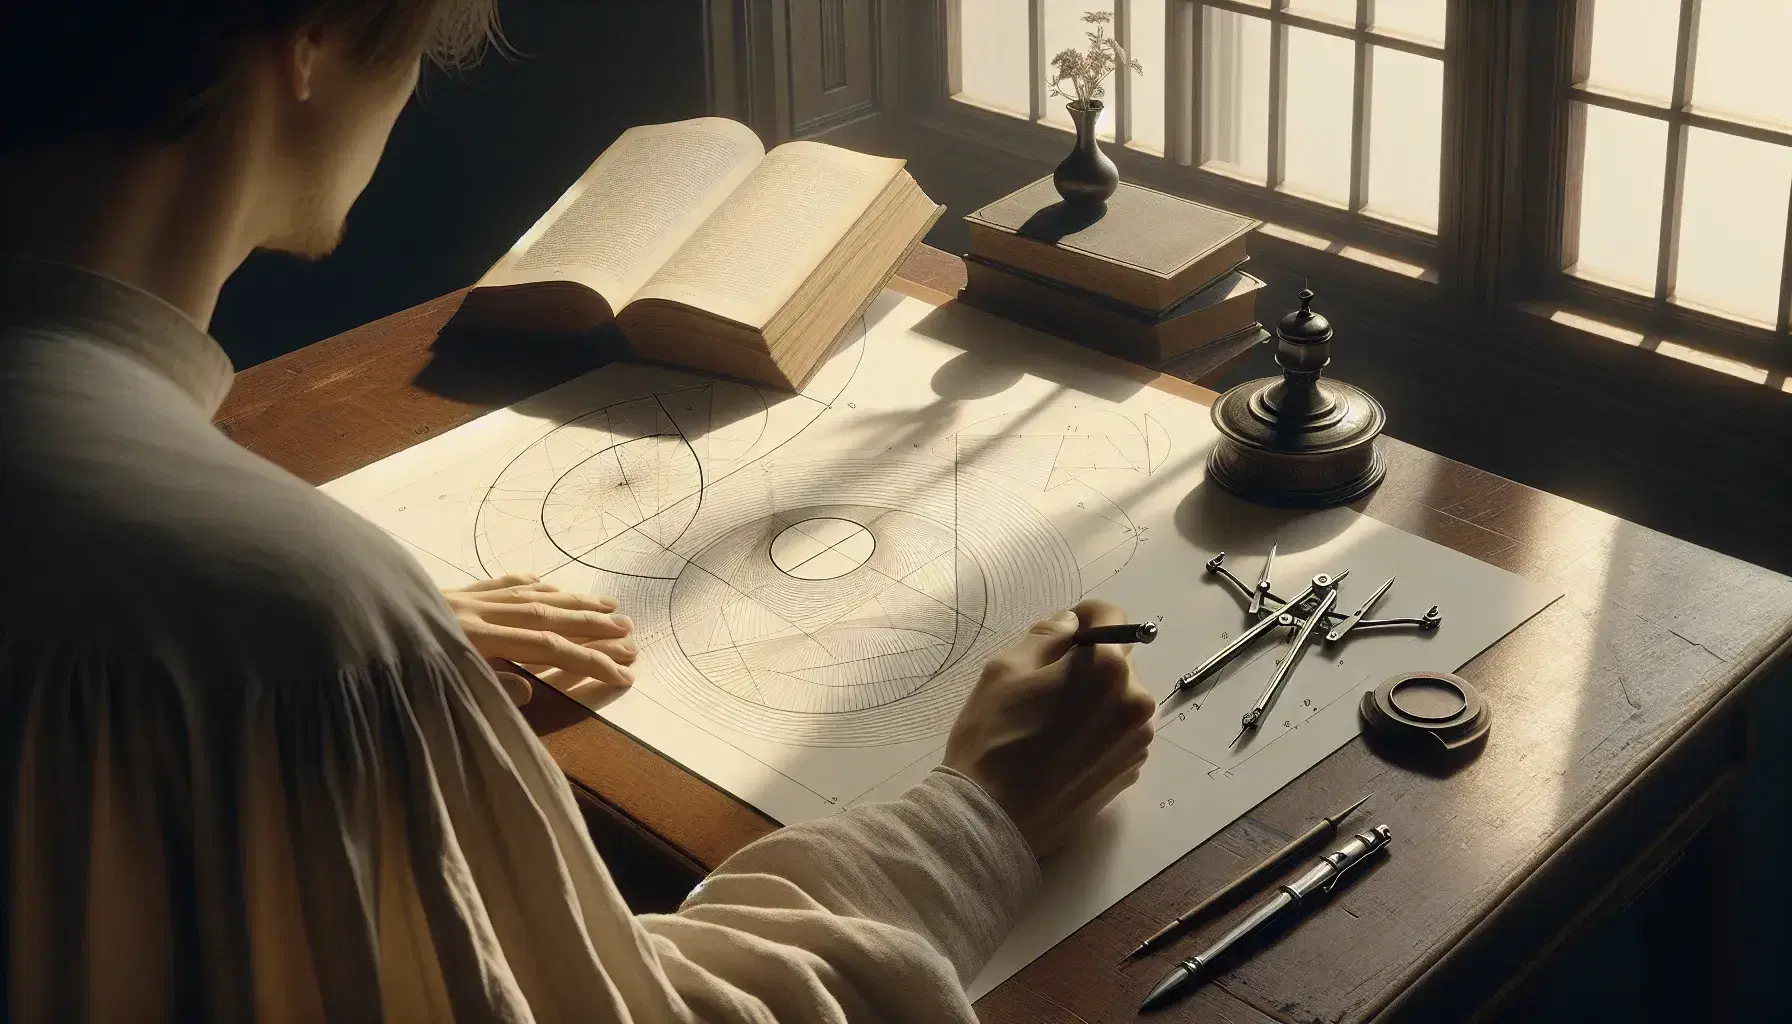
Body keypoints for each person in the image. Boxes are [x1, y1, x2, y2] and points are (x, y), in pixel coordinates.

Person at [0, 1, 1156, 1019]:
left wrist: (314, 647)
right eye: (414, 51)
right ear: (307, 42)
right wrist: (978, 819)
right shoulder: (300, 637)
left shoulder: (230, 613)